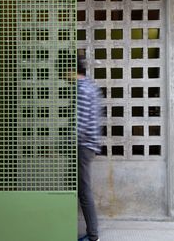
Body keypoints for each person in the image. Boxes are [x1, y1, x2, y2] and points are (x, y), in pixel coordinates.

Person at [77, 55, 101, 241]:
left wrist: (64, 142)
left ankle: (93, 236)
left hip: (83, 146)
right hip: (88, 144)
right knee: (81, 190)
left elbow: (81, 123)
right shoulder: (90, 86)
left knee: (84, 192)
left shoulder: (82, 89)